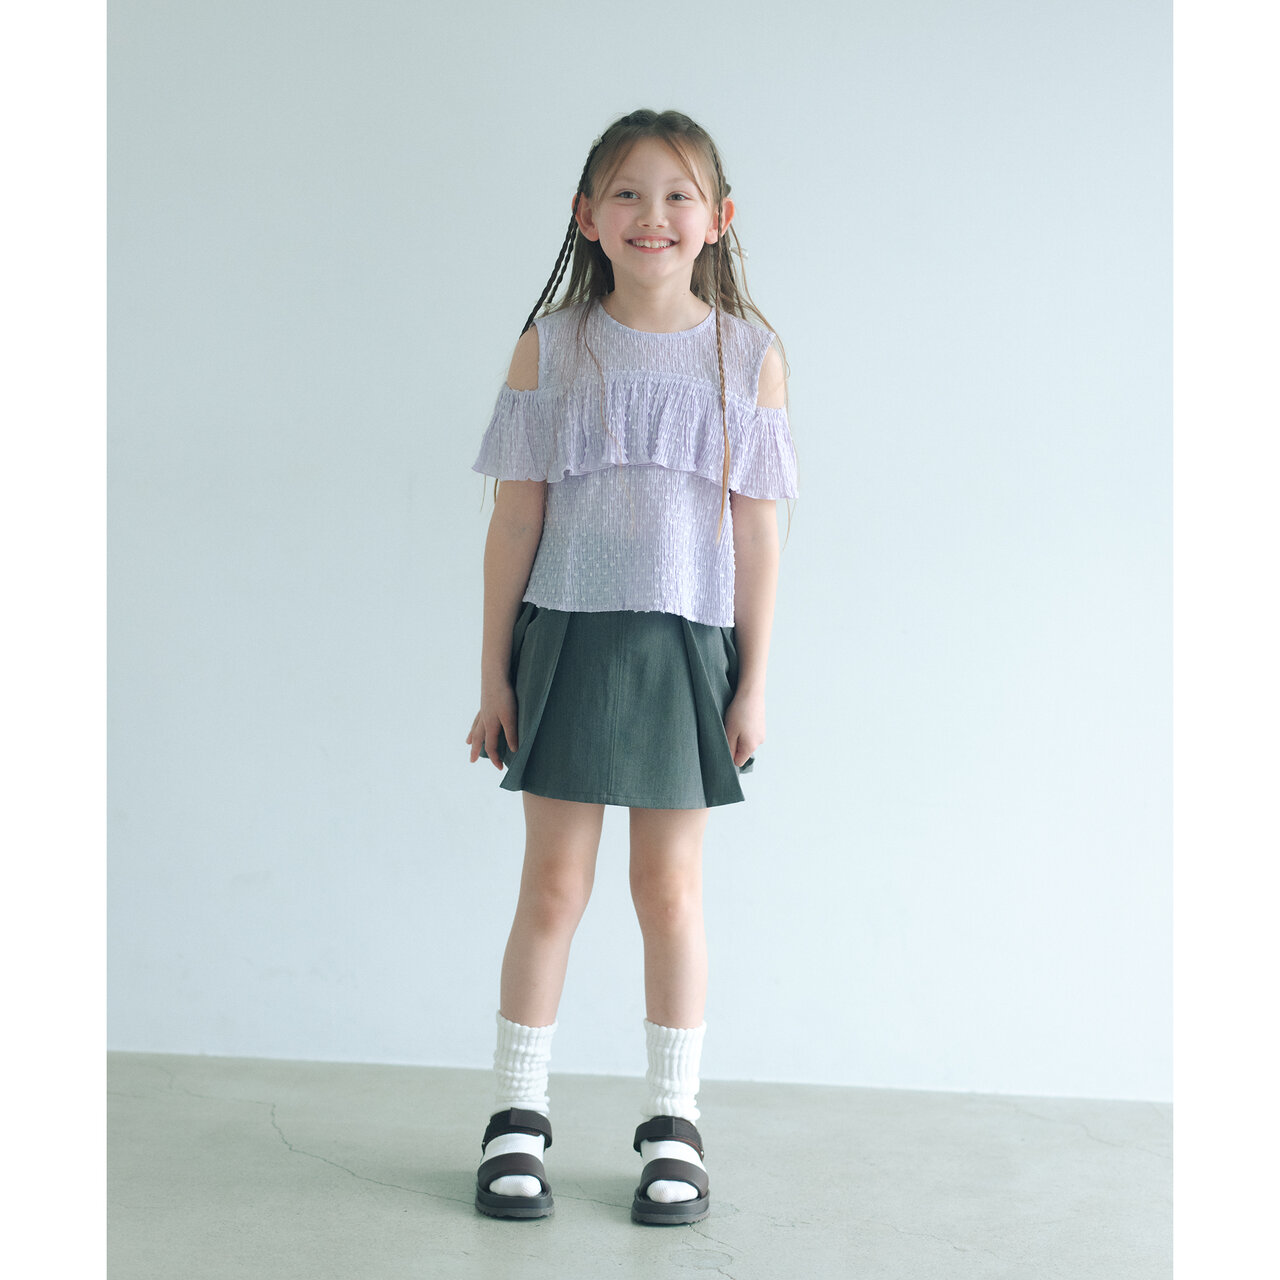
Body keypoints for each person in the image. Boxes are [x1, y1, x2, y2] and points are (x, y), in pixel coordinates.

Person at [465, 108, 797, 1226]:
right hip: (565, 635)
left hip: (684, 644)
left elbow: (757, 531)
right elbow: (514, 520)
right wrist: (494, 676)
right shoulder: (552, 345)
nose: (652, 215)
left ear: (718, 218)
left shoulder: (748, 356)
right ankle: (516, 1117)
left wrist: (751, 679)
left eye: (677, 195)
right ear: (586, 215)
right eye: (626, 193)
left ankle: (673, 1124)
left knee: (669, 891)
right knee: (553, 887)